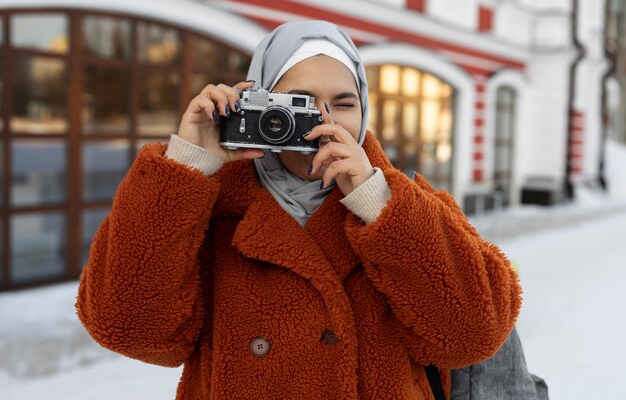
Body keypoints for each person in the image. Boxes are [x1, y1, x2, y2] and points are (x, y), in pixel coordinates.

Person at [76, 20, 522, 400]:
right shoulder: (207, 216)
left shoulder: (410, 212)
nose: (323, 121)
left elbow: (473, 336)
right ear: (258, 107)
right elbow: (128, 328)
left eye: (343, 103)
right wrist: (187, 165)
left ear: (364, 112)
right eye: (298, 104)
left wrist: (375, 201)